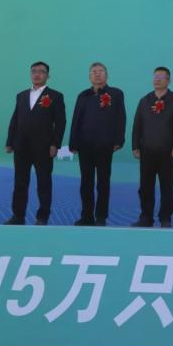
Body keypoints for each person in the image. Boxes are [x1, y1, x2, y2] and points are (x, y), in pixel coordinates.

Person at [4, 61, 66, 225]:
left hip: (44, 147)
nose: (37, 74)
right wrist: (10, 141)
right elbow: (15, 120)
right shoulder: (21, 95)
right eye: (34, 71)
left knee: (44, 182)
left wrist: (55, 144)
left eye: (41, 71)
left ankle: (42, 217)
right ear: (30, 74)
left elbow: (60, 122)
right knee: (20, 181)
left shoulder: (55, 96)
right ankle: (18, 216)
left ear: (47, 76)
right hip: (21, 145)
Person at [68, 62, 125, 226]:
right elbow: (76, 119)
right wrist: (73, 142)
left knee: (103, 183)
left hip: (105, 145)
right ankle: (86, 216)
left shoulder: (116, 93)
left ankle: (101, 217)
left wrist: (119, 140)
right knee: (86, 182)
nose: (97, 74)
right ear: (89, 76)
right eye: (94, 71)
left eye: (100, 71)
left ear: (106, 75)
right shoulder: (83, 95)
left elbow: (121, 117)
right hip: (84, 145)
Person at [131, 67, 173, 227]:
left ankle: (165, 218)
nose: (157, 79)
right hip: (147, 151)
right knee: (145, 186)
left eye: (161, 77)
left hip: (167, 152)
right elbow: (137, 125)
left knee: (166, 186)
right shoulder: (145, 101)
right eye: (155, 76)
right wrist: (135, 146)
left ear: (168, 81)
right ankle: (146, 217)